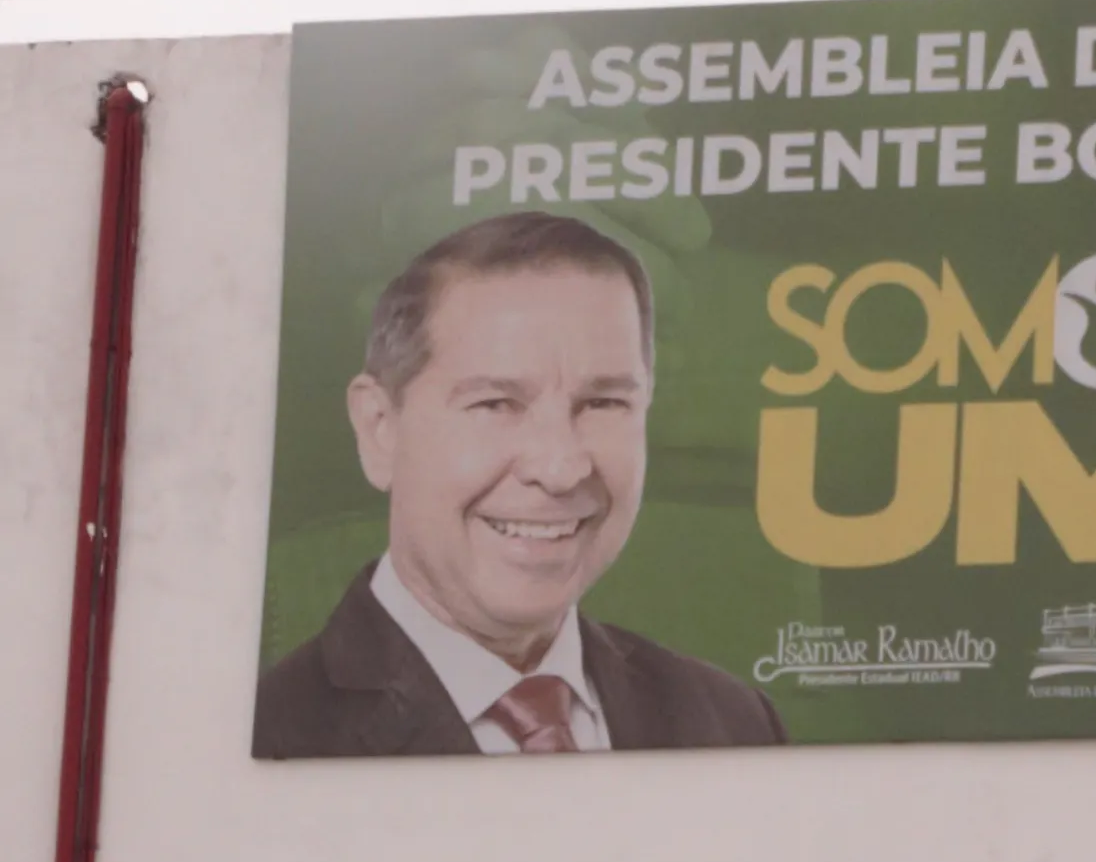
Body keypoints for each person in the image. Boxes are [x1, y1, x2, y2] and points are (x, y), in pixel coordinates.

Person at [254, 212, 785, 758]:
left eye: (604, 403)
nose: (560, 468)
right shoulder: (265, 739)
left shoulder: (734, 721)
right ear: (379, 429)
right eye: (495, 404)